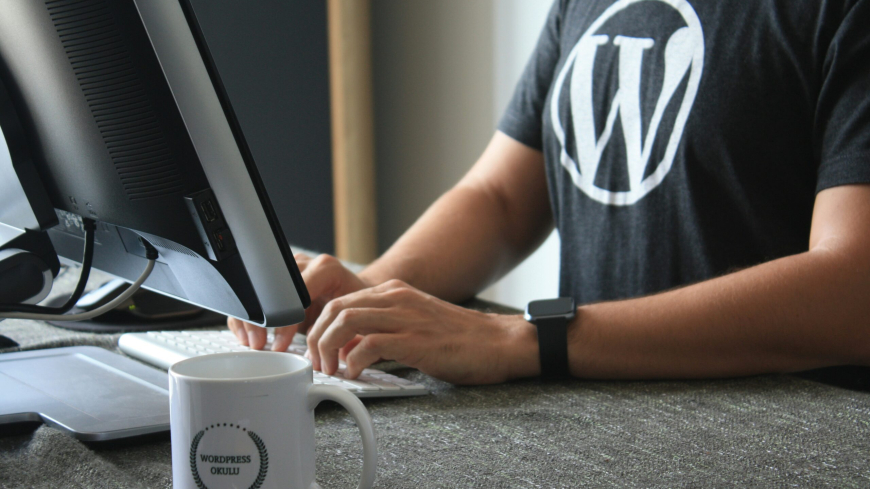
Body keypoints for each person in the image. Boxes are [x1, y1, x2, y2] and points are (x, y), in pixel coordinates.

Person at [228, 0, 870, 385]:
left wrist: (527, 339)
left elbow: (854, 289)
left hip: (777, 440)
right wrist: (372, 298)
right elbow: (502, 197)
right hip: (595, 421)